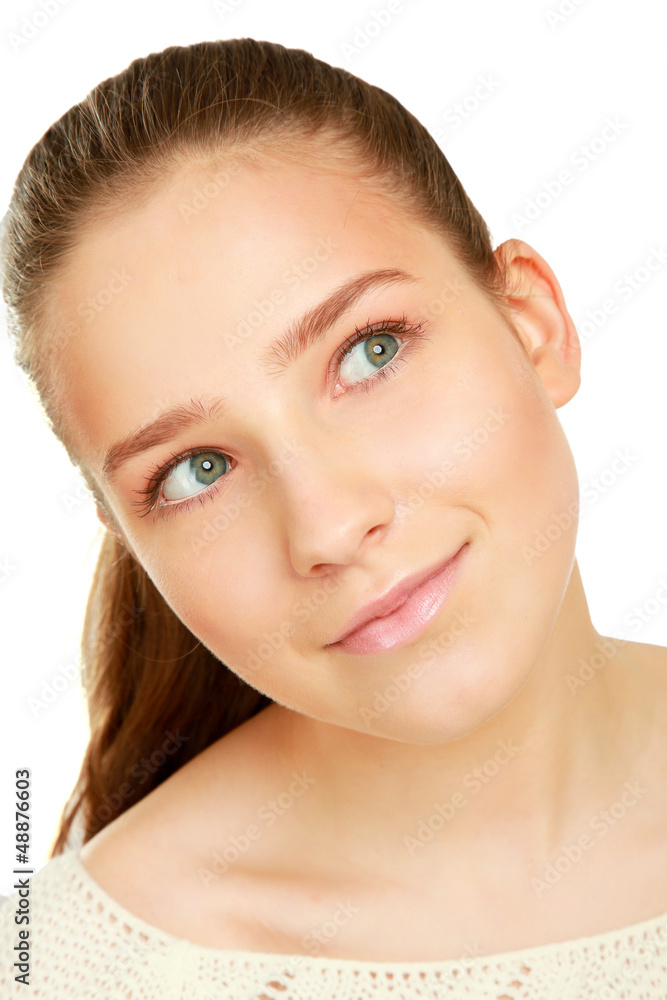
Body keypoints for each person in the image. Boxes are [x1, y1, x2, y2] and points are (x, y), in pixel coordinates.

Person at [1, 36, 666, 999]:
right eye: (196, 470)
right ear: (134, 545)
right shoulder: (63, 973)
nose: (325, 525)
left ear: (533, 322)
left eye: (369, 353)